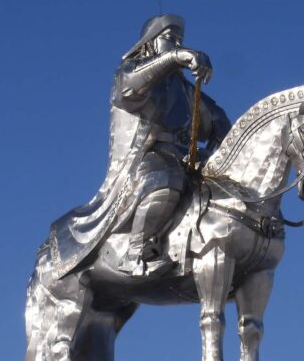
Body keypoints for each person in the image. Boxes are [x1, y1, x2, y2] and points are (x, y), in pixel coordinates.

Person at [49, 14, 231, 278]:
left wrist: (218, 147)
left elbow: (216, 118)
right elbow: (130, 91)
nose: (178, 45)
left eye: (180, 41)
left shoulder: (184, 90)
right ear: (151, 42)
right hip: (145, 159)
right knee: (164, 179)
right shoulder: (129, 72)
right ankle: (138, 250)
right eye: (170, 39)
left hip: (183, 159)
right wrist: (175, 58)